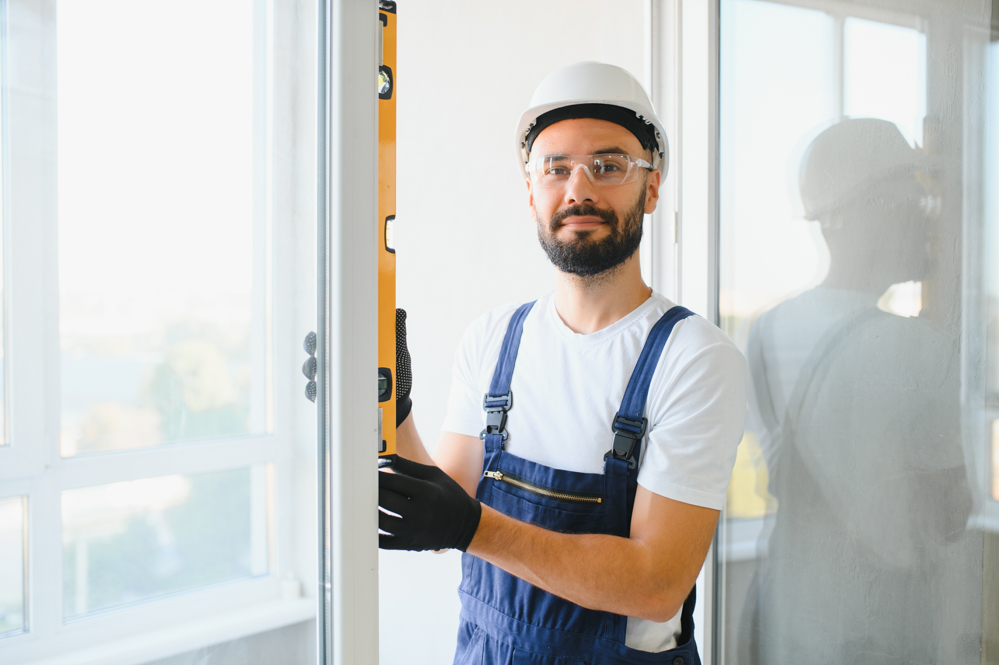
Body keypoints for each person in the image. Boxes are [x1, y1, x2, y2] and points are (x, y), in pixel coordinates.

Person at [379, 61, 748, 664]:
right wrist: (387, 405)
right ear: (531, 193)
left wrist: (473, 528)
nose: (579, 190)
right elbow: (440, 512)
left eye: (608, 166)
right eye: (556, 168)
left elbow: (656, 584)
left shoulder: (694, 359)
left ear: (652, 188)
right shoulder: (494, 339)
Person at [739, 118, 978, 663]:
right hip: (880, 634)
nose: (926, 213)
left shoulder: (767, 329)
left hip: (788, 625)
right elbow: (951, 514)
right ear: (868, 209)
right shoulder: (914, 348)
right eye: (913, 194)